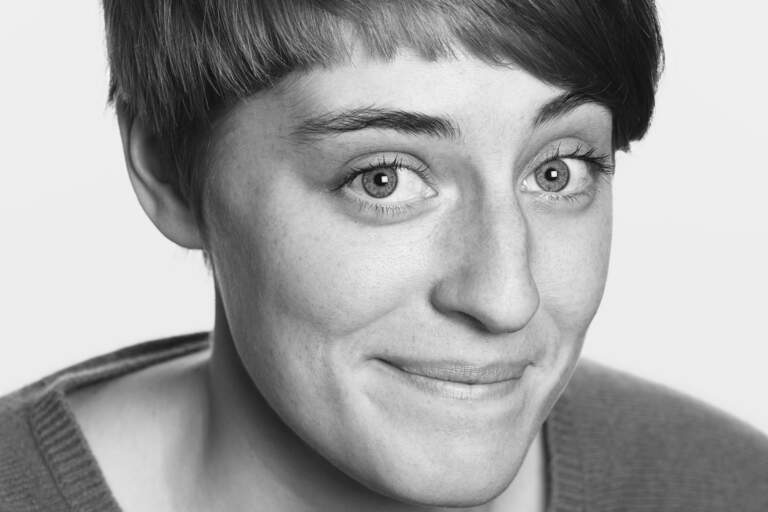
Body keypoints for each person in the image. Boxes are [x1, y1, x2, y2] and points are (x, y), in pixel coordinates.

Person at [0, 1, 766, 510]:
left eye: (558, 170)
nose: (506, 297)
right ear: (170, 170)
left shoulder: (729, 489)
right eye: (384, 178)